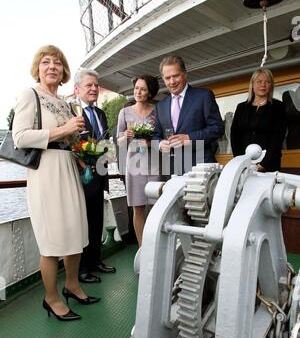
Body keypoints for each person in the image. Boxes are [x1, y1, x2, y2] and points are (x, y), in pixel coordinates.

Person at [12, 45, 100, 322]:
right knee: (52, 241)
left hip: (68, 169)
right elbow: (20, 137)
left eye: (58, 63)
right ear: (38, 68)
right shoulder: (30, 95)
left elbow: (71, 139)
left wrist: (83, 150)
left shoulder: (65, 103)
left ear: (64, 72)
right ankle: (51, 299)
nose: (53, 67)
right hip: (46, 172)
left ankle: (72, 285)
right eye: (46, 62)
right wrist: (63, 130)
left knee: (75, 233)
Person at [74, 68, 116, 283]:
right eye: (88, 85)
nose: (93, 89)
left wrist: (109, 153)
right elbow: (72, 145)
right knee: (83, 223)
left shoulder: (99, 113)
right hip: (82, 177)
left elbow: (105, 140)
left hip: (100, 173)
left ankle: (95, 261)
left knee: (97, 219)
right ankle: (81, 269)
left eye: (95, 85)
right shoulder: (72, 113)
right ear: (77, 89)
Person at [154, 55, 224, 174]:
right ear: (163, 79)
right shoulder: (160, 105)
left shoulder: (203, 96)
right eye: (167, 78)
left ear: (185, 74)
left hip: (202, 168)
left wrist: (189, 138)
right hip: (173, 170)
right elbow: (156, 135)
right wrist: (160, 144)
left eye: (176, 76)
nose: (172, 82)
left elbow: (217, 128)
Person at [117, 75, 160, 247]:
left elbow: (164, 138)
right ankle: (143, 249)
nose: (138, 92)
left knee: (156, 207)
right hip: (134, 165)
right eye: (136, 88)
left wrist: (150, 143)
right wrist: (124, 137)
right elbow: (118, 142)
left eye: (142, 89)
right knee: (138, 207)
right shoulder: (125, 112)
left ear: (150, 92)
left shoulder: (157, 112)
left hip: (155, 164)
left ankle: (156, 246)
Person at [230, 67, 287, 172]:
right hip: (244, 164)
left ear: (271, 85)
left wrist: (263, 164)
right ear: (252, 84)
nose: (263, 85)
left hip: (268, 164)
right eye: (259, 81)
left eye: (267, 82)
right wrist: (239, 161)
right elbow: (234, 135)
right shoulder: (241, 107)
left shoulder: (278, 107)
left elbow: (278, 137)